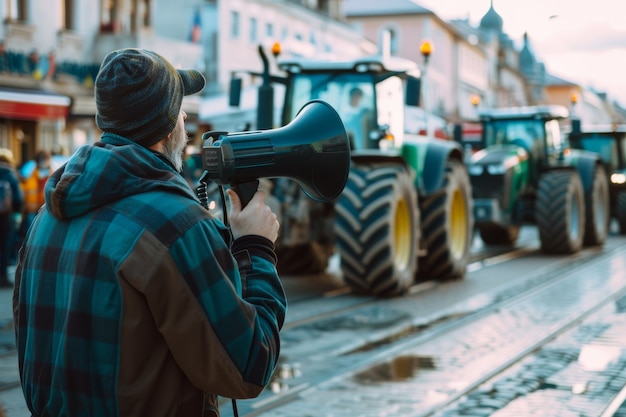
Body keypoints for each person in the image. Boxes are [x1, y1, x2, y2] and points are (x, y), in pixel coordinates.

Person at [13, 48, 286, 416]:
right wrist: (256, 248)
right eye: (179, 109)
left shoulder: (46, 218)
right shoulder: (176, 226)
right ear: (166, 125)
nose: (186, 118)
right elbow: (249, 365)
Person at [0, 148, 23, 287]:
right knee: (5, 245)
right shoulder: (10, 172)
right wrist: (17, 213)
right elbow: (18, 197)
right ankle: (3, 276)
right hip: (6, 216)